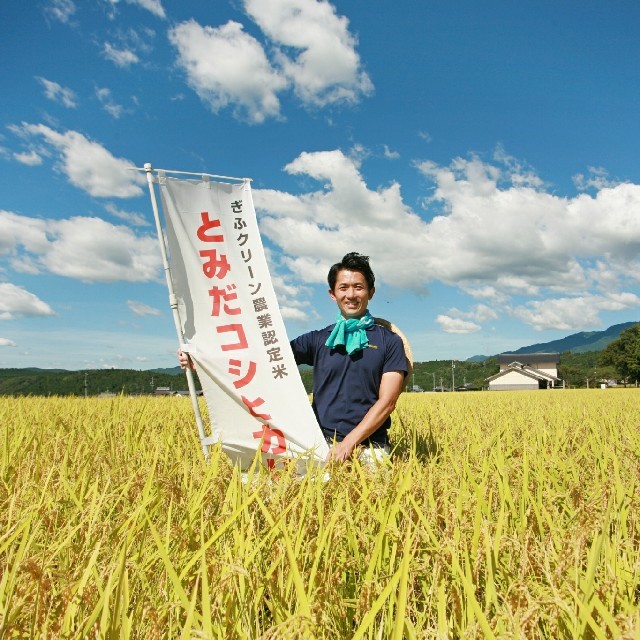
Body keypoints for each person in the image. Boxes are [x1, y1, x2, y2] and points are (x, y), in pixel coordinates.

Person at [179, 252, 408, 463]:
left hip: (371, 448)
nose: (351, 295)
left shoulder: (389, 341)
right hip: (321, 445)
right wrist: (203, 361)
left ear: (371, 292)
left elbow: (387, 402)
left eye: (358, 287)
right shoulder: (318, 339)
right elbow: (264, 359)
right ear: (332, 294)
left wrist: (348, 444)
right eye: (343, 288)